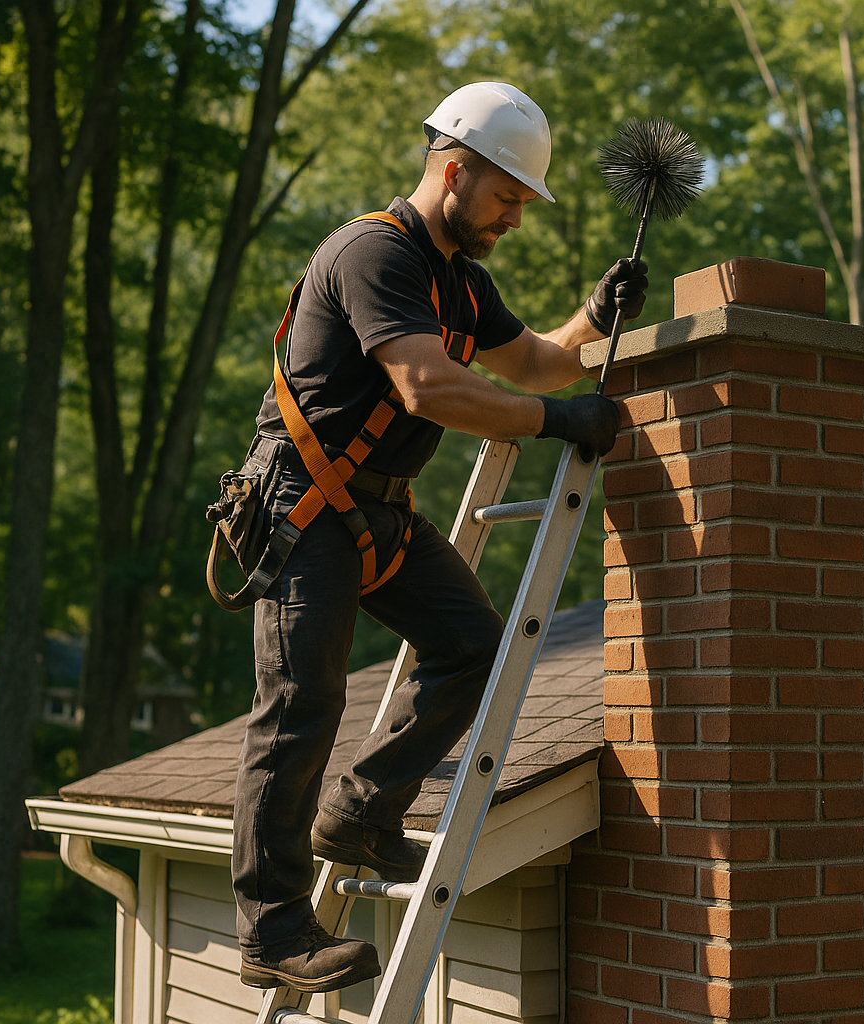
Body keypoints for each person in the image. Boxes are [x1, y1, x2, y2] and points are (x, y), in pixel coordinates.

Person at [230, 81, 646, 993]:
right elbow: (429, 388)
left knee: (473, 645)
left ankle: (361, 809)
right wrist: (557, 420)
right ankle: (272, 932)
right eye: (507, 198)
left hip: (376, 510)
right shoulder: (374, 253)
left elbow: (534, 360)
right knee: (301, 706)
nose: (516, 219)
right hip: (305, 503)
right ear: (454, 171)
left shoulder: (460, 279)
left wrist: (594, 317)